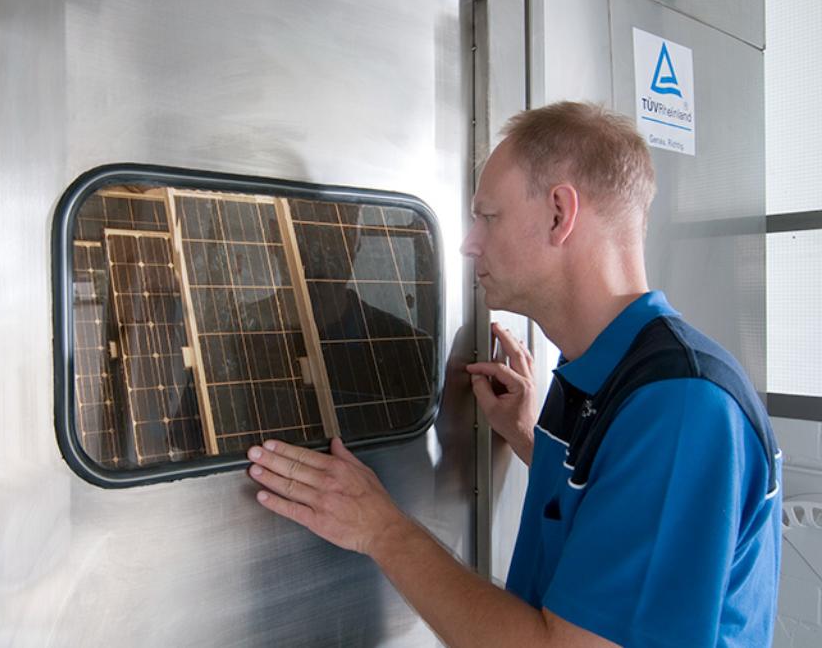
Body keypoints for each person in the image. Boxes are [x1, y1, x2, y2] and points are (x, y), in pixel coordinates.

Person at [245, 102, 782, 647]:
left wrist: (382, 528)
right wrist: (532, 441)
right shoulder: (593, 376)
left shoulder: (680, 407)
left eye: (488, 217)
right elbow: (609, 508)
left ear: (558, 214)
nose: (468, 242)